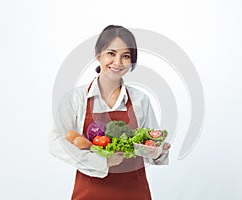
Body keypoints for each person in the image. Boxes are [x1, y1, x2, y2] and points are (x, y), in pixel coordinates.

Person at [49, 25, 170, 200]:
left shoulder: (140, 100)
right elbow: (56, 142)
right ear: (98, 54)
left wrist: (159, 151)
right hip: (89, 193)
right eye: (111, 54)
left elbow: (150, 148)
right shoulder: (76, 99)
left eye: (126, 56)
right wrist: (103, 162)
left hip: (134, 192)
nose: (118, 63)